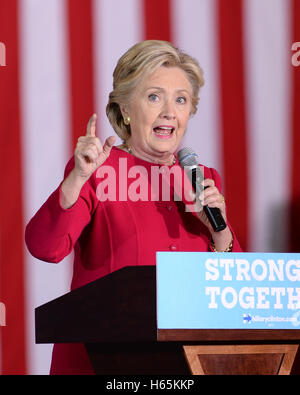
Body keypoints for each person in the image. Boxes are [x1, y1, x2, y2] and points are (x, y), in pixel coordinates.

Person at [25, 40, 242, 375]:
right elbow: (46, 247)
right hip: (102, 359)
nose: (170, 111)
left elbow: (237, 295)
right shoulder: (98, 169)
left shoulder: (203, 179)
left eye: (181, 100)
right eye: (154, 96)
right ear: (126, 109)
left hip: (183, 362)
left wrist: (220, 230)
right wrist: (76, 180)